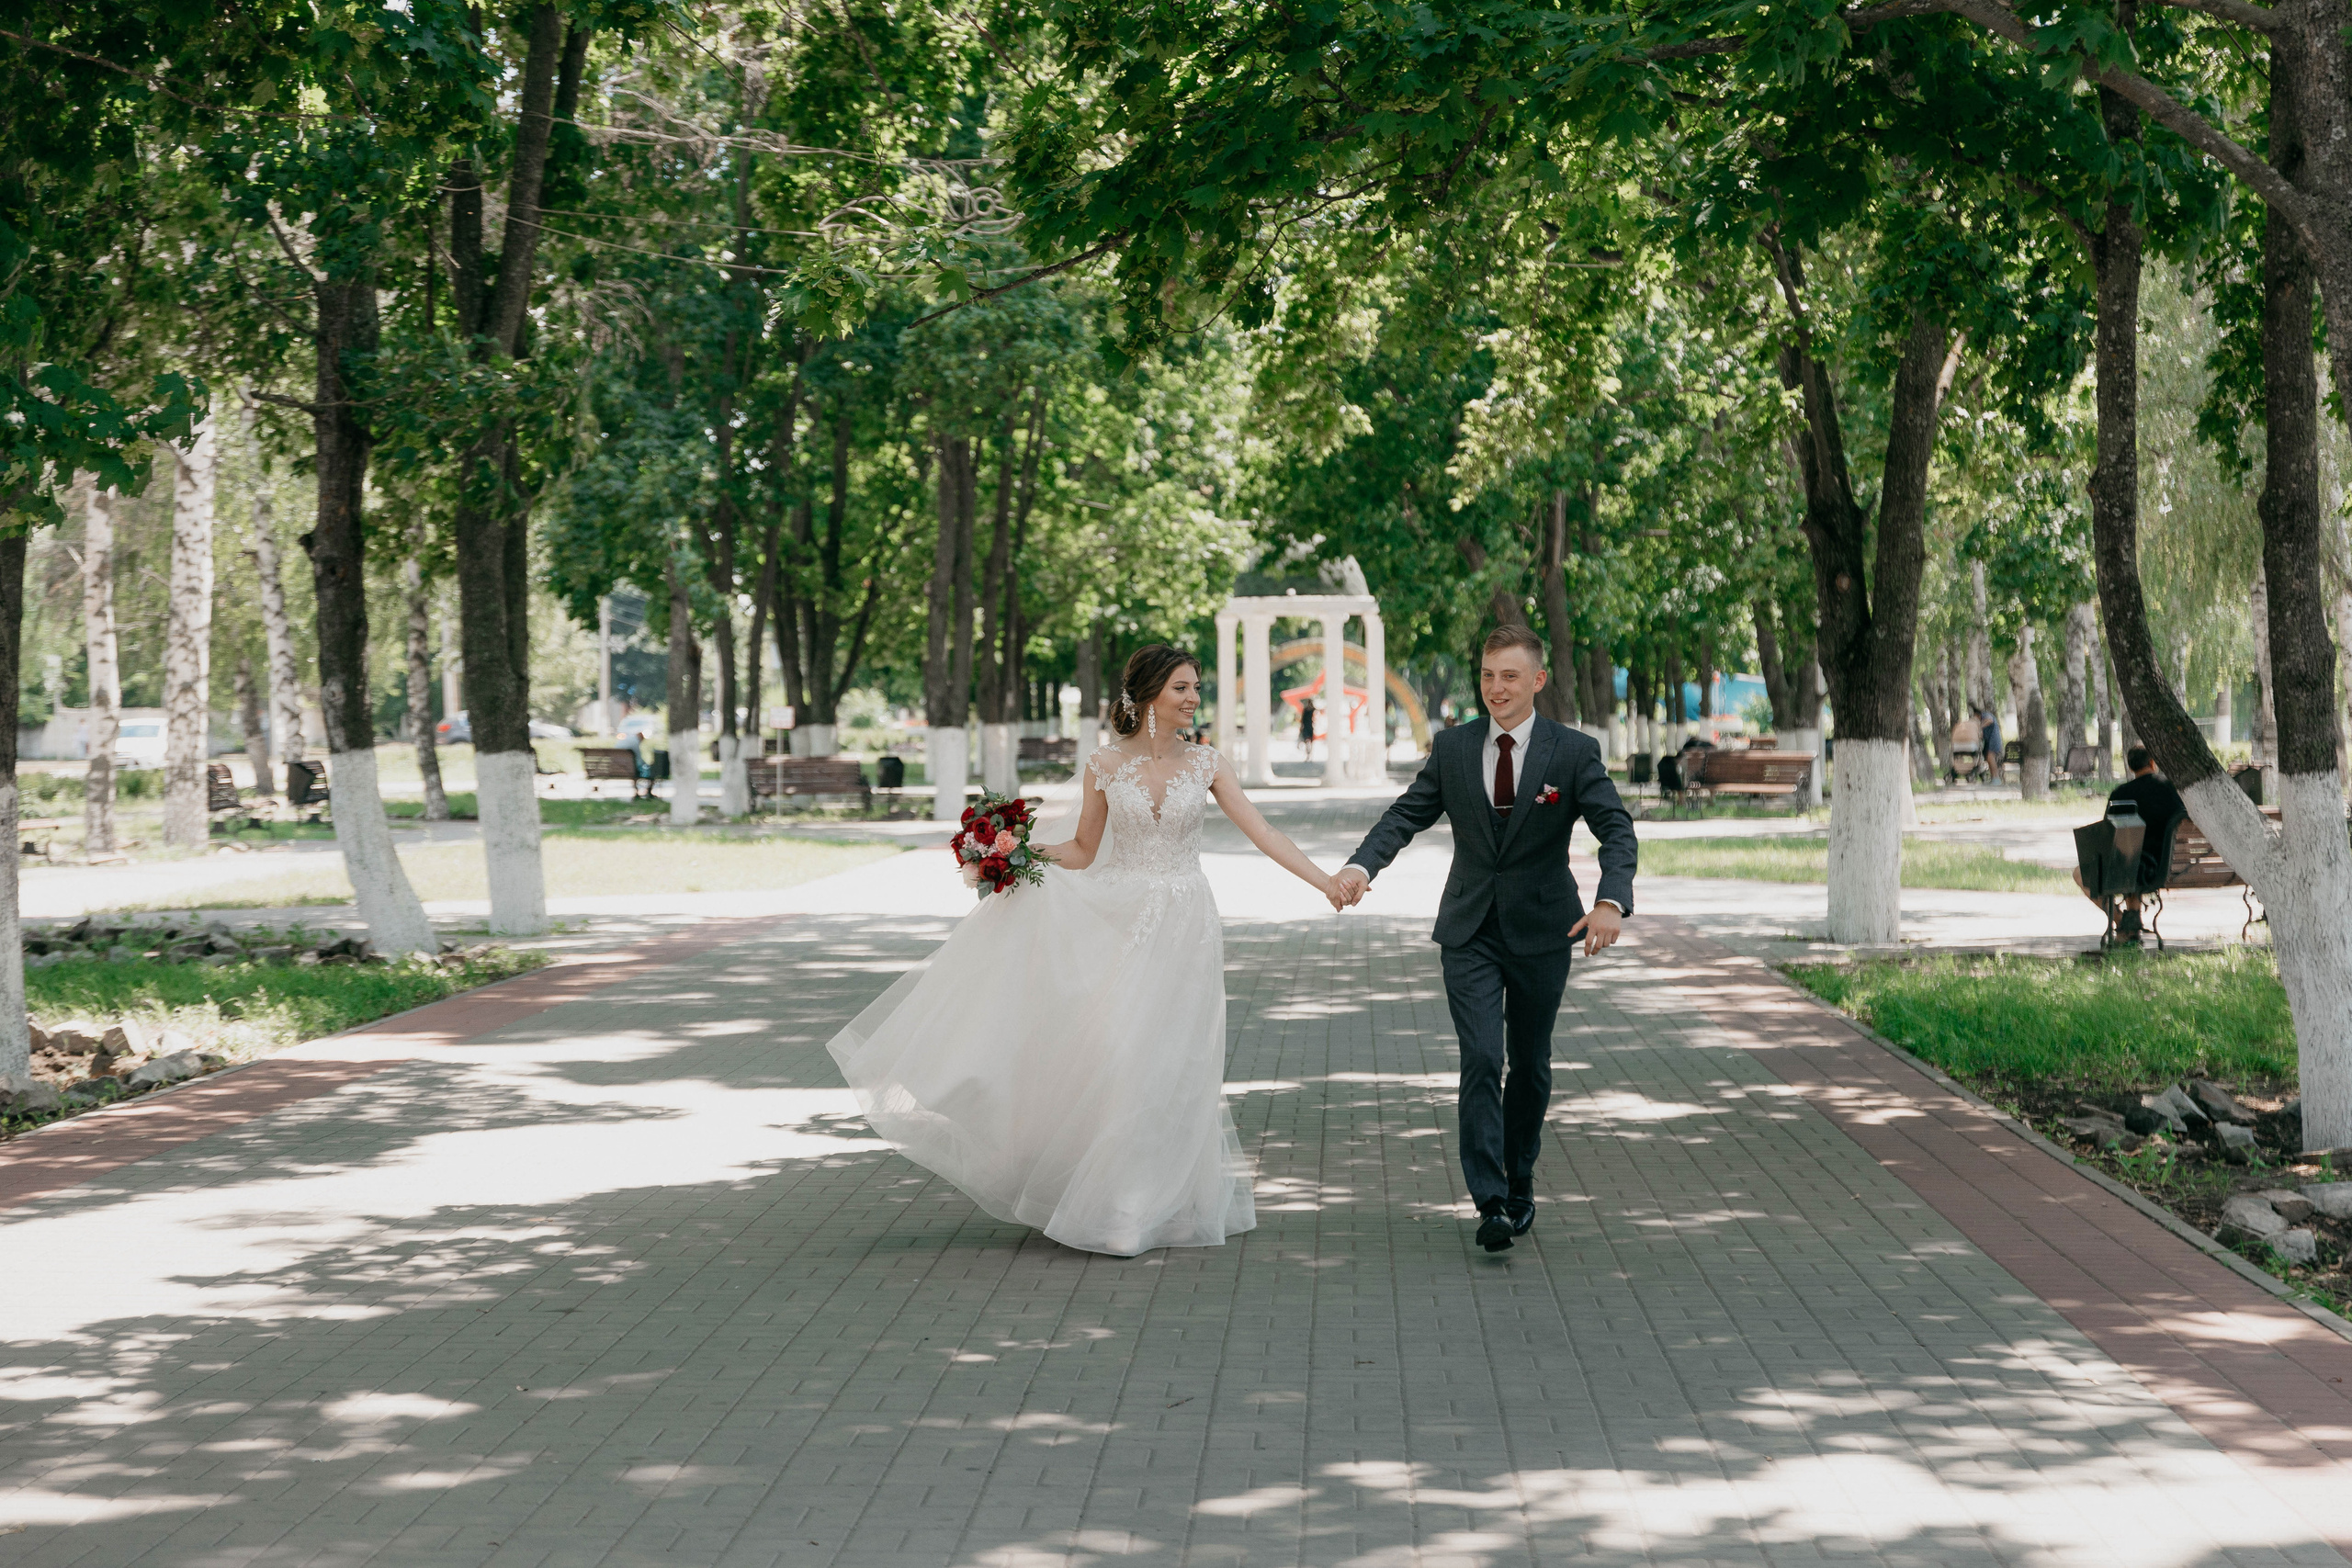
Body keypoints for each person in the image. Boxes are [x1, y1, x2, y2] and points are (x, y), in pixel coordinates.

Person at [828, 645, 1346, 1256]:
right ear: (1151, 691)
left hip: (1186, 924)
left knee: (1176, 1059)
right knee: (1122, 1052)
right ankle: (1120, 1205)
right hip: (1118, 919)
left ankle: (1171, 1203)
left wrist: (1327, 882)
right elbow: (1081, 848)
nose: (1192, 697)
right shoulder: (1104, 764)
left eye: (1195, 688)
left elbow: (1263, 831)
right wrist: (1013, 854)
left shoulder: (1207, 762)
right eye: (1182, 686)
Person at [1333, 626, 1639, 1253]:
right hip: (1469, 930)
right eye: (1487, 675)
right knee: (1480, 1056)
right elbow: (1405, 815)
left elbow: (1616, 827)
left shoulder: (1572, 751)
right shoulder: (1453, 747)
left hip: (1545, 928)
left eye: (1508, 676)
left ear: (1537, 681)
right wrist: (1360, 866)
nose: (1495, 688)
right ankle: (1491, 1197)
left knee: (1528, 1063)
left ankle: (1521, 1176)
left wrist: (1611, 900)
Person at [2075, 745, 2186, 942]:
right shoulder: (2172, 790)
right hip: (2167, 866)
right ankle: (2132, 928)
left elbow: (2109, 836)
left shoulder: (2122, 793)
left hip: (2137, 867)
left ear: (2131, 767)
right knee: (2132, 863)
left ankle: (2120, 921)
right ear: (2152, 763)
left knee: (2082, 872)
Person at [1979, 705, 2005, 784]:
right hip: (1989, 742)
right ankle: (1994, 778)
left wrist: (1979, 727)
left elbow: (1989, 720)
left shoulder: (1985, 715)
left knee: (1990, 758)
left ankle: (1996, 778)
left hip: (1994, 741)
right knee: (1988, 758)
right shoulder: (1982, 719)